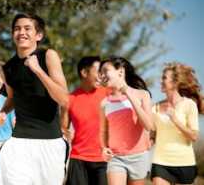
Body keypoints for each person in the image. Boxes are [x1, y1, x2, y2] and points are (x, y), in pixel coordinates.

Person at [0, 13, 69, 185]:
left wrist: (37, 70)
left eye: (27, 28)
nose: (21, 32)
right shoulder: (7, 68)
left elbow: (64, 99)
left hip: (50, 143)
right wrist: (3, 111)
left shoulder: (48, 56)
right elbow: (13, 99)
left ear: (38, 35)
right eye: (17, 29)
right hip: (19, 143)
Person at [99, 56, 154, 185]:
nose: (102, 75)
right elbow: (103, 131)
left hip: (139, 156)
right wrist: (103, 148)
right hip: (116, 157)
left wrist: (128, 94)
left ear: (121, 71)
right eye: (100, 73)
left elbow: (148, 126)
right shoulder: (104, 103)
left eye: (105, 70)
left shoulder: (142, 95)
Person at [61, 56, 111, 185]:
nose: (101, 76)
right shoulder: (69, 99)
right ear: (84, 73)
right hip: (78, 159)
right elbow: (63, 128)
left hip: (104, 159)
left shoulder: (108, 94)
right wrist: (65, 133)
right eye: (98, 71)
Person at [151, 62, 203, 185]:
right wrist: (150, 140)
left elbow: (194, 136)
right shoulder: (156, 107)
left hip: (184, 163)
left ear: (175, 83)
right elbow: (153, 133)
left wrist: (175, 119)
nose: (161, 81)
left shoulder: (189, 105)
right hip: (161, 162)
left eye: (164, 78)